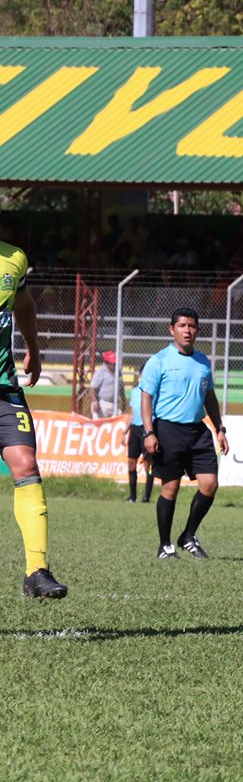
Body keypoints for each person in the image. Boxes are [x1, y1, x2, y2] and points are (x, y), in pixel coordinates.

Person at [0, 237, 67, 599]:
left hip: (4, 389)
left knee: (25, 465)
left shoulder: (14, 258)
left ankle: (36, 571)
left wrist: (34, 349)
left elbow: (22, 304)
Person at [141, 307, 229, 560]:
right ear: (172, 330)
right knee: (170, 489)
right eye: (182, 326)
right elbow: (146, 398)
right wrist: (149, 432)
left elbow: (209, 396)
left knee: (210, 484)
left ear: (197, 330)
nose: (187, 330)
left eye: (192, 326)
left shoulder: (203, 361)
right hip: (168, 429)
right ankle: (165, 545)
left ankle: (188, 536)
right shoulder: (159, 361)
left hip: (198, 430)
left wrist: (219, 428)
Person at [125, 372, 155, 504]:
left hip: (146, 430)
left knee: (148, 465)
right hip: (134, 430)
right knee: (131, 463)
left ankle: (146, 497)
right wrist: (124, 431)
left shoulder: (154, 391)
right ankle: (132, 496)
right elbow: (132, 412)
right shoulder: (134, 391)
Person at [89, 350, 123, 418]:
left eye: (115, 363)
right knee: (99, 425)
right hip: (102, 404)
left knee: (120, 420)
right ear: (107, 363)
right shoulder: (101, 372)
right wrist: (95, 402)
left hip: (114, 404)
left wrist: (123, 401)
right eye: (113, 363)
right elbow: (93, 388)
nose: (115, 365)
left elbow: (121, 387)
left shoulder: (118, 372)